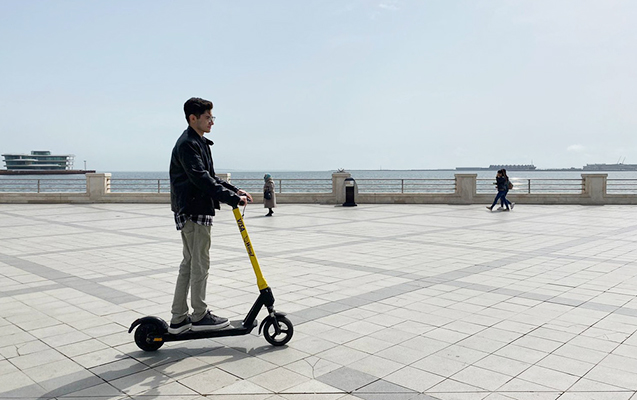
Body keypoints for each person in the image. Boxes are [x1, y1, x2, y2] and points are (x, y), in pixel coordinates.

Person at [168, 97, 253, 334]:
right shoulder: (188, 144)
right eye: (207, 117)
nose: (212, 122)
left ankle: (178, 318)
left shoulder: (199, 142)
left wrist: (235, 191)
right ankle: (199, 315)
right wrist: (233, 200)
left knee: (189, 264)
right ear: (192, 118)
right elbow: (201, 179)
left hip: (194, 209)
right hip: (193, 211)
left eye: (212, 117)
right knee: (199, 264)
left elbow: (211, 176)